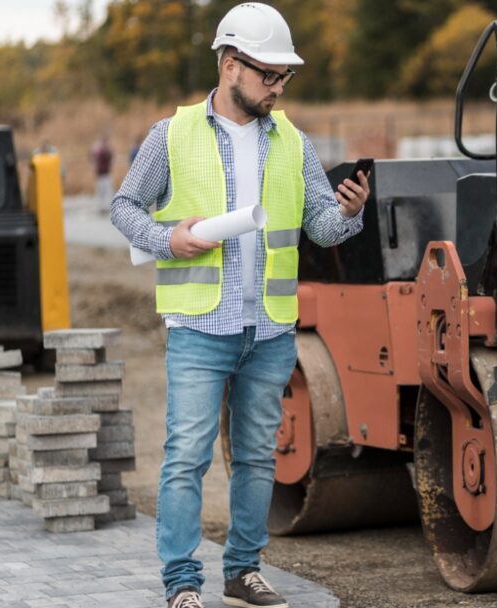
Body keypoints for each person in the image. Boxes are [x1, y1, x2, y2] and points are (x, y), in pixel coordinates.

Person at [109, 4, 370, 607]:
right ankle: (181, 584)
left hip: (270, 330)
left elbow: (321, 229)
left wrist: (349, 213)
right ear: (231, 66)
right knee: (186, 459)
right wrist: (166, 239)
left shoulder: (293, 143)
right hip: (200, 327)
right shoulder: (171, 134)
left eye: (285, 78)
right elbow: (125, 207)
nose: (278, 88)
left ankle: (242, 571)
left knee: (256, 457)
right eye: (269, 75)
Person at [90, 135, 113, 207]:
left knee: (109, 191)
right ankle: (100, 206)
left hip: (106, 174)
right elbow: (92, 158)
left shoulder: (107, 152)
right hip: (100, 175)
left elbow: (110, 157)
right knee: (100, 192)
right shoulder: (99, 152)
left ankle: (108, 205)